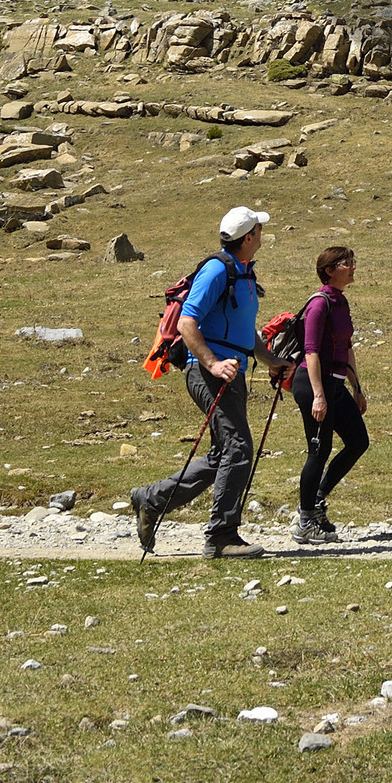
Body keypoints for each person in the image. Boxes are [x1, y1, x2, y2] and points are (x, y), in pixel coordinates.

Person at [131, 206, 270, 560]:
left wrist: (272, 360)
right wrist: (212, 362)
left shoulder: (243, 273)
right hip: (208, 371)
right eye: (258, 229)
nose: (262, 234)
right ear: (249, 236)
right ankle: (221, 536)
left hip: (228, 371)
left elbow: (243, 331)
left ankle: (152, 499)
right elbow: (187, 323)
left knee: (223, 453)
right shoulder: (217, 270)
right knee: (238, 447)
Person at [291, 243, 368, 544]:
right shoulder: (319, 304)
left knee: (358, 441)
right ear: (329, 270)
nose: (352, 267)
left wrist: (357, 387)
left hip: (335, 383)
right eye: (346, 263)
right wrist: (319, 395)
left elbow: (346, 348)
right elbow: (311, 352)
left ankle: (317, 501)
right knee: (319, 450)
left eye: (352, 261)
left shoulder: (341, 303)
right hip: (313, 383)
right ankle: (305, 520)